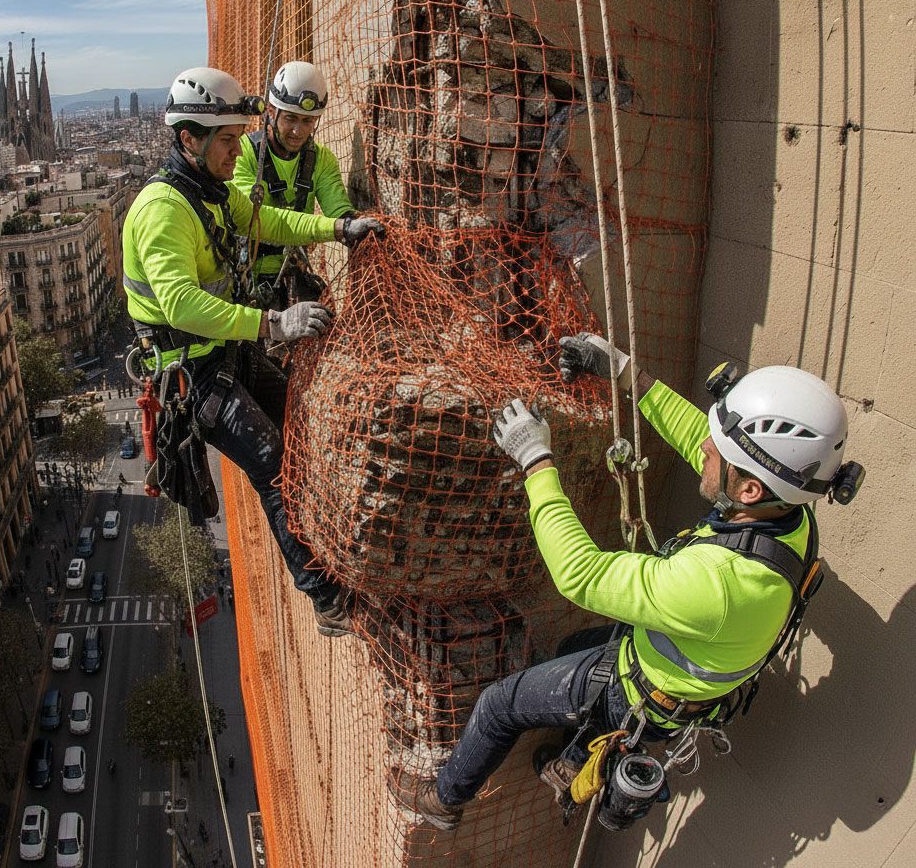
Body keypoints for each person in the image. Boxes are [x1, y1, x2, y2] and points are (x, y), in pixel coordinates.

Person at [415, 332, 863, 830]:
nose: (704, 449)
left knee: (500, 706)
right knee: (571, 645)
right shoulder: (789, 514)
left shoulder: (715, 585)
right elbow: (699, 435)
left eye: (715, 452)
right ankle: (568, 762)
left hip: (634, 691)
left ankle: (442, 801)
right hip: (672, 678)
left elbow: (580, 575)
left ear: (750, 487)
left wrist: (535, 460)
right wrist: (628, 374)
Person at [122, 66, 384, 638]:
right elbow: (181, 305)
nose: (237, 149)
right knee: (271, 463)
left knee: (298, 417)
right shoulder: (163, 210)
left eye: (240, 136)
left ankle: (330, 533)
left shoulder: (210, 193)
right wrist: (274, 323)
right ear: (188, 139)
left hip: (224, 353)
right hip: (193, 372)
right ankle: (324, 596)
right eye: (225, 139)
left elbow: (266, 219)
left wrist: (339, 232)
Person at [232, 61, 356, 308]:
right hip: (247, 278)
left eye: (308, 122)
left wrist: (353, 225)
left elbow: (339, 210)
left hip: (293, 275)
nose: (298, 131)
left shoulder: (320, 160)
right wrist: (338, 228)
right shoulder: (243, 154)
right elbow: (254, 220)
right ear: (270, 110)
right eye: (290, 119)